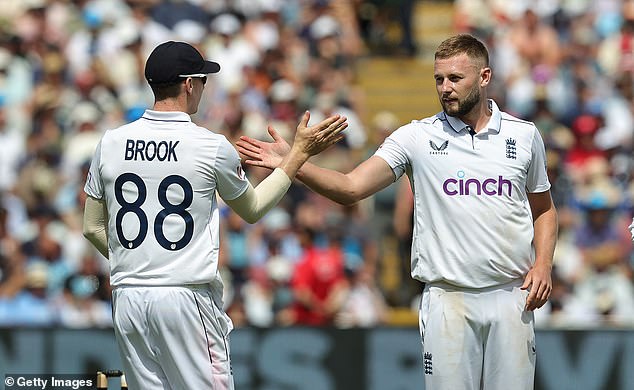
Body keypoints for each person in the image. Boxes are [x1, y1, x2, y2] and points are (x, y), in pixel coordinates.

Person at [237, 34, 558, 390]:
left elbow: (543, 209)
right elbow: (351, 187)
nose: (445, 88)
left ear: (484, 78)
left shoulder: (524, 136)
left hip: (510, 296)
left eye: (455, 78)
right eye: (439, 79)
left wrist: (543, 263)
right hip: (447, 299)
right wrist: (293, 162)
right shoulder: (415, 137)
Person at [82, 40, 347, 389]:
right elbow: (252, 209)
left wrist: (140, 263)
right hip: (185, 296)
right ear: (189, 84)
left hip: (129, 296)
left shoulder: (111, 142)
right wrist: (297, 155)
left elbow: (91, 227)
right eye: (203, 80)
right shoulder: (209, 145)